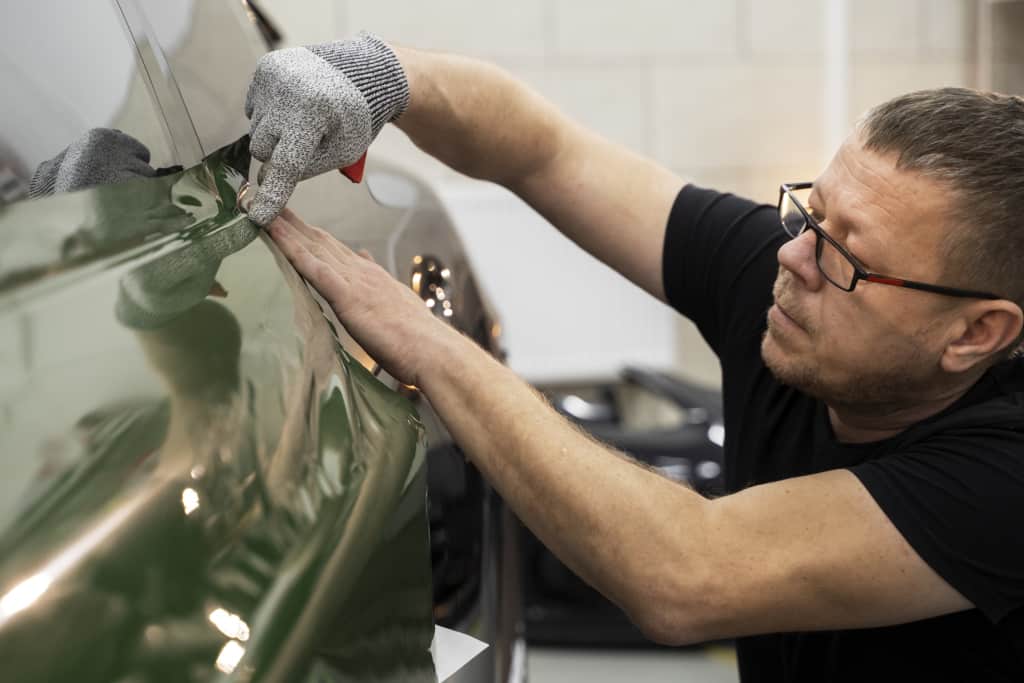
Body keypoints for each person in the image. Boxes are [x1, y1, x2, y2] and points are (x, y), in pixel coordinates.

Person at [244, 33, 1024, 681]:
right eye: (809, 214)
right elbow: (544, 152)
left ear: (975, 334)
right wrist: (383, 74)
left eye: (849, 258)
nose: (795, 260)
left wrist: (420, 338)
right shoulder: (797, 274)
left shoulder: (1004, 471)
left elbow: (683, 573)